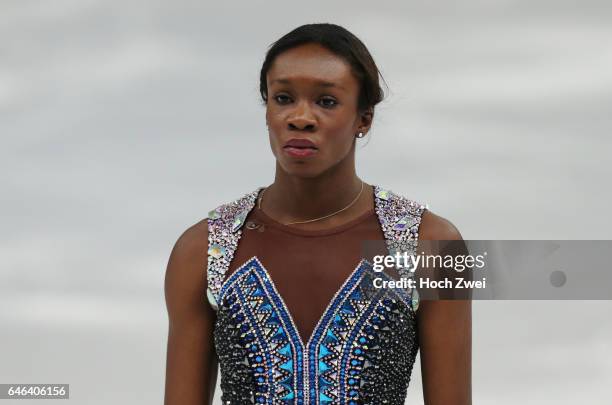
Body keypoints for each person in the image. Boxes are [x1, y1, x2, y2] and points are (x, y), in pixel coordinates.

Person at [164, 23, 471, 405]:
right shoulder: (204, 250)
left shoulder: (431, 245)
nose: (300, 117)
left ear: (364, 119)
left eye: (326, 101)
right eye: (283, 98)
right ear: (267, 110)